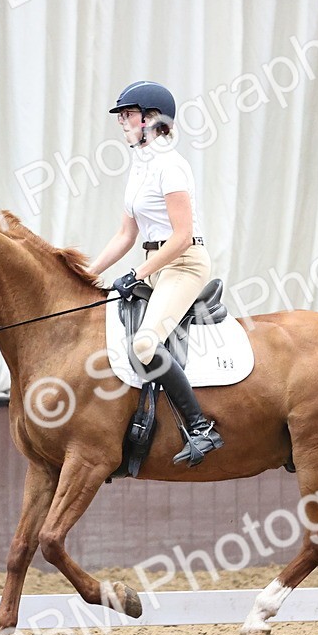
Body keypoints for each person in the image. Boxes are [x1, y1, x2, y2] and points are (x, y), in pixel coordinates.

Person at [87, 80, 224, 467]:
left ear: (151, 119)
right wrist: (85, 272)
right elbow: (126, 234)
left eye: (128, 115)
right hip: (153, 263)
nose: (123, 123)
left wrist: (137, 273)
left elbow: (180, 237)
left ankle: (201, 428)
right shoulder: (140, 166)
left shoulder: (171, 166)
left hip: (182, 263)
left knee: (145, 345)